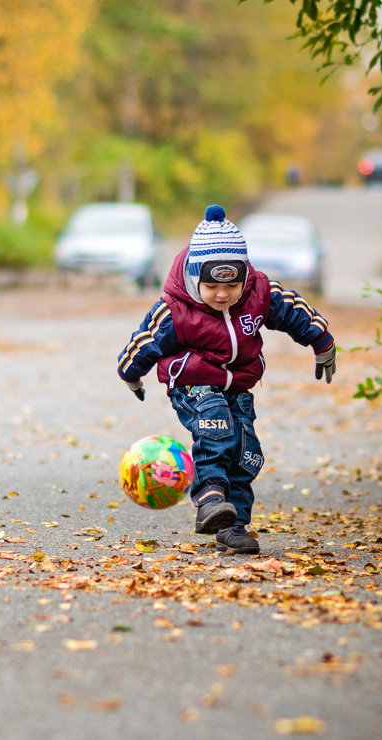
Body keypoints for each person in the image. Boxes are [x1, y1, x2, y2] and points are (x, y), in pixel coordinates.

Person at [117, 204, 337, 555]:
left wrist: (321, 341)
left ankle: (233, 526)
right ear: (193, 278)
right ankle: (209, 499)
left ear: (245, 277)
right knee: (215, 428)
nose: (223, 295)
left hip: (238, 385)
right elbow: (145, 340)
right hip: (194, 383)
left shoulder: (258, 294)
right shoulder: (177, 310)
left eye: (232, 285)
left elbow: (296, 311)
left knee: (245, 452)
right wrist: (131, 374)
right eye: (212, 286)